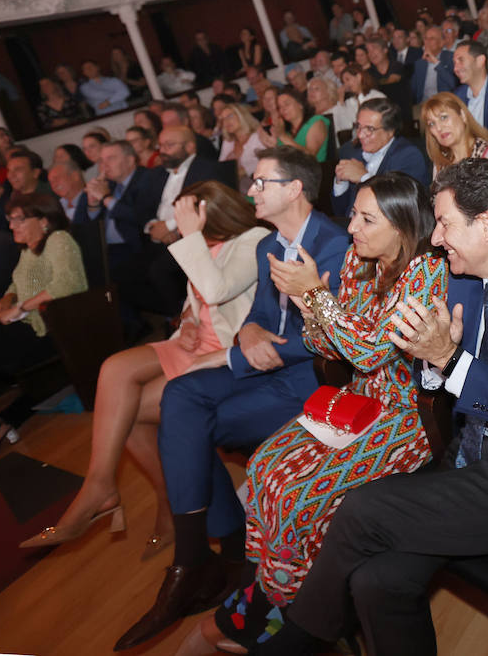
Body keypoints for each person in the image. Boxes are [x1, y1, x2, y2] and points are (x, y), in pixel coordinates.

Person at [255, 157, 488, 656]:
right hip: (472, 453)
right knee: (377, 580)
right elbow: (448, 373)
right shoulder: (467, 273)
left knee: (361, 506)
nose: (436, 237)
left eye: (445, 223)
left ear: (487, 224)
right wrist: (438, 358)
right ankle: (304, 630)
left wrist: (447, 357)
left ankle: (296, 639)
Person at [179, 173, 447, 653]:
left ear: (403, 225)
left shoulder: (427, 269)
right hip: (356, 401)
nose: (352, 229)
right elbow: (329, 348)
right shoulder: (357, 261)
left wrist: (318, 299)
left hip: (406, 416)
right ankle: (274, 589)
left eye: (367, 219)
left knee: (301, 492)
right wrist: (309, 306)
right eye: (353, 216)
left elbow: (371, 352)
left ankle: (291, 609)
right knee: (264, 467)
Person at [115, 149, 350, 650]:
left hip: (310, 381)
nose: (253, 192)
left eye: (263, 182)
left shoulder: (333, 245)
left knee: (189, 425)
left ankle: (215, 558)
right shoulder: (271, 242)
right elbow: (256, 318)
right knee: (180, 395)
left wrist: (246, 353)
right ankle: (199, 555)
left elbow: (328, 340)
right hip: (262, 368)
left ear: (294, 189)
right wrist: (244, 340)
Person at [19, 182, 267, 556]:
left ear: (210, 213)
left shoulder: (255, 237)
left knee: (129, 413)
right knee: (114, 369)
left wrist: (190, 237)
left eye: (186, 213)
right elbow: (194, 301)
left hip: (226, 350)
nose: (177, 221)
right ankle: (100, 485)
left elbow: (217, 290)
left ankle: (142, 498)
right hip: (195, 340)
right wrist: (185, 324)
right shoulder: (205, 243)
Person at [0, 193, 85, 471]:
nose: (11, 226)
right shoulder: (28, 249)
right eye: (9, 219)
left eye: (18, 219)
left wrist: (20, 306)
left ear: (43, 220)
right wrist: (6, 301)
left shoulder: (59, 240)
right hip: (21, 320)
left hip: (46, 328)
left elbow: (67, 286)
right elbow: (16, 285)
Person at [331, 98, 428, 215]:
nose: (360, 135)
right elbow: (339, 212)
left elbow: (402, 206)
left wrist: (364, 178)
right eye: (358, 126)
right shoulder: (351, 152)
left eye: (370, 129)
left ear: (390, 131)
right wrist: (341, 181)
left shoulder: (408, 156)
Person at [421, 91, 488, 175]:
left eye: (443, 117)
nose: (438, 128)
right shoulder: (440, 163)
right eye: (431, 124)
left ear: (463, 115)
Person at [263, 88, 329, 162]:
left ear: (300, 104)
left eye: (286, 104)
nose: (283, 109)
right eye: (280, 107)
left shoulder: (316, 122)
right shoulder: (284, 130)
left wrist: (282, 136)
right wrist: (273, 147)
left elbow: (310, 156)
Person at [218, 103, 268, 193]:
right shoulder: (228, 142)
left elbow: (267, 162)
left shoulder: (257, 137)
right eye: (223, 119)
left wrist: (242, 171)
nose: (226, 122)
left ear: (241, 115)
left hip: (261, 186)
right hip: (236, 190)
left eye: (230, 116)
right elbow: (220, 168)